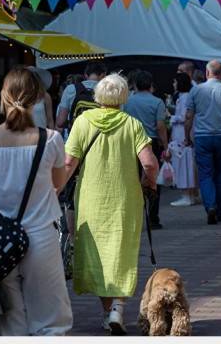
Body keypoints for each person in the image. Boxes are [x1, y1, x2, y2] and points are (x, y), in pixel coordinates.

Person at [0, 66, 72, 335]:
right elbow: (57, 184)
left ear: (3, 97)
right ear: (38, 98)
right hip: (42, 238)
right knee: (50, 320)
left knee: (10, 320)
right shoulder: (51, 140)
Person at [64, 74, 159, 335]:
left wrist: (54, 189)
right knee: (121, 252)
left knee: (97, 254)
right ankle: (117, 307)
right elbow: (150, 163)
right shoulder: (132, 124)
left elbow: (68, 163)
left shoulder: (83, 122)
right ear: (124, 96)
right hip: (125, 199)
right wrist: (149, 183)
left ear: (97, 97)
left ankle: (108, 313)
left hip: (91, 199)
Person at [185, 60, 221, 224]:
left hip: (202, 136)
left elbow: (188, 116)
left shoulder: (195, 90)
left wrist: (186, 134)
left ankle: (210, 205)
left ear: (207, 72)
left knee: (205, 174)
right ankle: (219, 210)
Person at [123, 70, 169, 229]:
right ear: (150, 85)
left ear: (135, 84)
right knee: (153, 180)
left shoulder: (127, 102)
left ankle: (134, 217)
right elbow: (161, 126)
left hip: (131, 143)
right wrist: (166, 145)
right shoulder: (157, 102)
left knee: (132, 180)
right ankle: (153, 218)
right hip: (151, 143)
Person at [168, 73, 197, 206]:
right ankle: (190, 194)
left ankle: (187, 195)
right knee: (186, 164)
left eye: (175, 82)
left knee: (183, 164)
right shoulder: (184, 97)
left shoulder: (184, 97)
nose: (173, 84)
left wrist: (171, 117)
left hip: (181, 135)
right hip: (181, 134)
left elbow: (184, 116)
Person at [55, 61, 107, 132]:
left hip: (76, 137)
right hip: (98, 139)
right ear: (103, 75)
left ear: (85, 75)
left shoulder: (71, 89)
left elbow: (60, 122)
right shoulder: (107, 92)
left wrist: (72, 122)